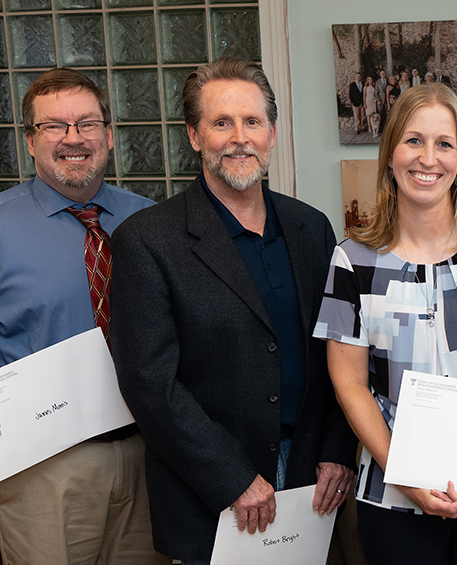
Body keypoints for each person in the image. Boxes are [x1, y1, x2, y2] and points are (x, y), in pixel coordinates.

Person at [109, 57, 357, 564]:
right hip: (213, 488)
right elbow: (149, 384)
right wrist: (232, 478)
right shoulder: (147, 241)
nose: (239, 137)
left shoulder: (312, 228)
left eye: (252, 122)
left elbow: (341, 349)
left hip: (311, 475)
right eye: (221, 123)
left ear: (271, 133)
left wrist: (336, 448)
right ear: (195, 136)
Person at [315, 83, 457, 565]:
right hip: (392, 492)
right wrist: (405, 473)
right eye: (414, 140)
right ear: (391, 153)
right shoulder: (352, 260)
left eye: (444, 144)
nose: (428, 158)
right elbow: (350, 384)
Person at [0, 68, 162, 564]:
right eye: (54, 126)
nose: (73, 139)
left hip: (152, 452)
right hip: (44, 463)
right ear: (30, 140)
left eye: (87, 124)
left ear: (108, 135)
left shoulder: (149, 222)